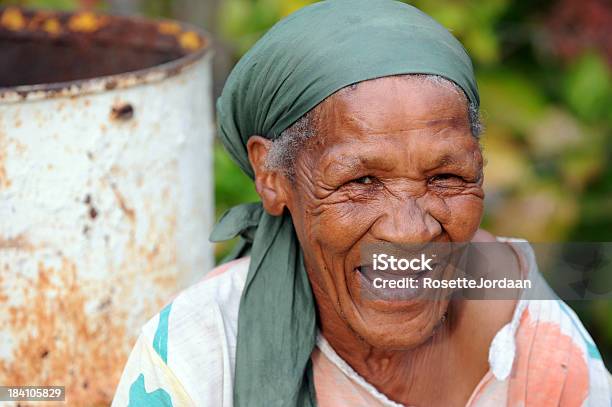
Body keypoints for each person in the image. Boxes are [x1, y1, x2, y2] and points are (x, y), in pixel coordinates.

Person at [112, 1, 612, 406]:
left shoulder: (529, 332)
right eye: (362, 180)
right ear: (271, 176)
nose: (410, 231)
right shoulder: (200, 353)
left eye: (445, 177)